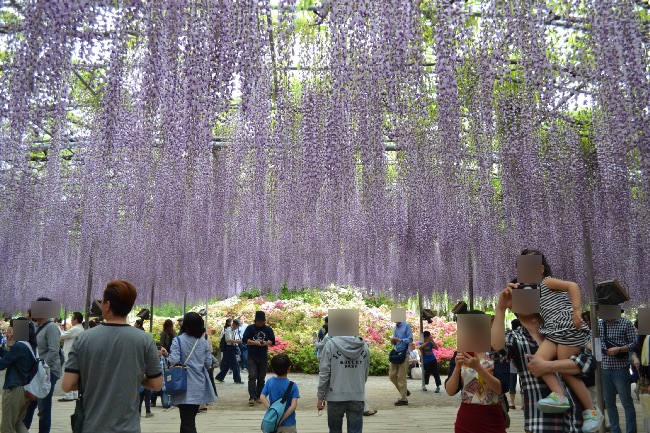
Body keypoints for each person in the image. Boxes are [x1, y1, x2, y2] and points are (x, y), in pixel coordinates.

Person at [515, 249, 602, 431]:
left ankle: (591, 411)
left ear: (541, 269)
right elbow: (524, 313)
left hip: (567, 327)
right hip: (553, 331)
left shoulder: (547, 282)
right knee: (536, 362)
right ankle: (559, 396)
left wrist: (577, 310)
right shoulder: (533, 291)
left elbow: (573, 286)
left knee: (567, 372)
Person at [492, 283, 598, 433]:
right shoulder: (515, 338)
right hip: (541, 423)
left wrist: (546, 366)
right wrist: (501, 308)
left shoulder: (564, 328)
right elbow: (497, 349)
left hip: (578, 421)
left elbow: (588, 363)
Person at [61, 280, 162, 433]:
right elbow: (156, 385)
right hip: (129, 428)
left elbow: (67, 385)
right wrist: (133, 376)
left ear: (107, 305)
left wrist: (94, 377)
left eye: (102, 302)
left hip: (91, 426)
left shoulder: (83, 338)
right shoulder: (144, 339)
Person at [445, 309, 506, 433]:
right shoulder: (460, 354)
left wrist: (478, 367)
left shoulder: (498, 353)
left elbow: (501, 388)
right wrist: (457, 367)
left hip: (492, 417)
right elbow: (450, 391)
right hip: (466, 417)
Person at [168, 312, 216, 433]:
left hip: (182, 385)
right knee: (188, 420)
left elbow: (173, 360)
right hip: (198, 386)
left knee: (187, 422)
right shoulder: (203, 342)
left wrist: (166, 356)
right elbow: (208, 363)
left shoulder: (177, 340)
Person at [23, 297, 62, 433]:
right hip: (36, 373)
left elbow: (53, 351)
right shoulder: (35, 326)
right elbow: (20, 342)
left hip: (47, 373)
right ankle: (22, 429)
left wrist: (42, 368)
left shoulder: (51, 327)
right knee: (29, 404)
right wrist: (26, 319)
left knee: (43, 408)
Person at [317, 335, 370, 433]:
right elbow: (365, 372)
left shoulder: (330, 345)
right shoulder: (364, 347)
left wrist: (320, 395)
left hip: (335, 396)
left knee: (335, 430)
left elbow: (324, 373)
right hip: (357, 395)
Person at [598, 313, 637, 433]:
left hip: (621, 368)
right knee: (609, 402)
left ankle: (631, 431)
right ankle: (615, 430)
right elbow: (591, 340)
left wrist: (620, 349)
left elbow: (634, 343)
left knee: (626, 402)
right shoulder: (599, 323)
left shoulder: (626, 323)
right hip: (604, 368)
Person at [0, 318, 37, 433]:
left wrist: (10, 345)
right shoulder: (28, 345)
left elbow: (2, 364)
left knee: (7, 427)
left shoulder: (19, 346)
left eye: (12, 329)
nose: (10, 332)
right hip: (25, 390)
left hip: (14, 390)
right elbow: (11, 357)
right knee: (18, 423)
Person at [242, 311, 275, 406]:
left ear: (264, 321)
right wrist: (255, 343)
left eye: (261, 321)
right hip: (251, 355)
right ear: (255, 321)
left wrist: (265, 343)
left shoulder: (268, 329)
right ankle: (252, 397)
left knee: (261, 377)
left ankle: (258, 396)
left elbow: (272, 341)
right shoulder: (250, 328)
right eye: (258, 321)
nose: (259, 323)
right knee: (252, 376)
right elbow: (244, 340)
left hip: (263, 355)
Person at [260, 353, 300, 433]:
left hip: (273, 423)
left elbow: (262, 397)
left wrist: (272, 410)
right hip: (289, 423)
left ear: (273, 370)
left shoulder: (270, 382)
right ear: (289, 369)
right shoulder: (293, 385)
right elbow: (293, 406)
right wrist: (281, 419)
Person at [58, 311, 84, 402]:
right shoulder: (80, 328)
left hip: (69, 353)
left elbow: (62, 335)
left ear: (76, 320)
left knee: (68, 372)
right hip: (75, 353)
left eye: (72, 319)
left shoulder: (75, 329)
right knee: (74, 373)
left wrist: (57, 327)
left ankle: (68, 395)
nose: (71, 321)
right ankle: (73, 394)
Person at [389, 317, 413, 406]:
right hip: (396, 352)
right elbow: (396, 342)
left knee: (401, 377)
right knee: (392, 375)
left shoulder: (406, 325)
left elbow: (410, 339)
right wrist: (393, 341)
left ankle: (403, 399)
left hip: (404, 354)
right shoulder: (395, 327)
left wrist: (400, 340)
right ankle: (404, 391)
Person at [215, 319, 243, 384]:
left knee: (227, 365)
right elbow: (228, 340)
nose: (238, 327)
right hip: (229, 348)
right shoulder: (228, 330)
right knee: (235, 364)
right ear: (234, 325)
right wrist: (238, 341)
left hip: (232, 348)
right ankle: (237, 380)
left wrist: (237, 341)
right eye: (237, 326)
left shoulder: (234, 331)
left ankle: (219, 378)